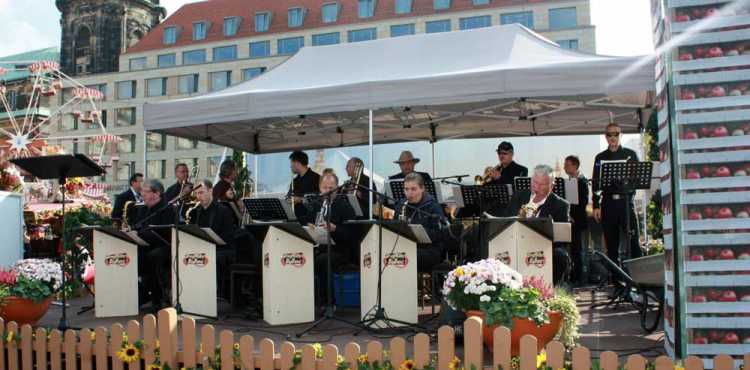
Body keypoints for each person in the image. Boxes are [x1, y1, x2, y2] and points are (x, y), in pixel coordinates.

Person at [504, 165, 571, 285]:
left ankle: (549, 290)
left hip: (543, 246)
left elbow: (562, 240)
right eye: (534, 182)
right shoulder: (518, 196)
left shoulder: (561, 205)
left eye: (542, 184)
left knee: (560, 255)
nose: (536, 187)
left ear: (551, 186)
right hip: (515, 241)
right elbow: (506, 220)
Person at [592, 123, 642, 266]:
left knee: (634, 243)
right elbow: (596, 182)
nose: (613, 137)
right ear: (605, 137)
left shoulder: (630, 155)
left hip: (626, 203)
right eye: (609, 134)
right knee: (611, 246)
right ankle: (617, 283)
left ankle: (638, 281)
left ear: (621, 135)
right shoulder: (600, 157)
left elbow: (637, 181)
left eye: (616, 134)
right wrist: (596, 205)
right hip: (608, 204)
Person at [309, 173, 361, 304]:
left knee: (322, 261)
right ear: (319, 188)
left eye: (331, 188)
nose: (327, 191)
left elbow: (352, 236)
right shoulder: (315, 205)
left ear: (337, 188)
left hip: (340, 250)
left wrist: (335, 229)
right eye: (324, 187)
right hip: (319, 247)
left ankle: (328, 303)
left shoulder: (345, 207)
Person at [127, 179, 176, 311]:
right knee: (128, 256)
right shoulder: (142, 210)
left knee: (153, 256)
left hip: (164, 247)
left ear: (157, 193)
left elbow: (166, 234)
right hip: (145, 245)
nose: (142, 194)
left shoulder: (168, 209)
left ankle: (157, 298)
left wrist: (141, 234)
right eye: (142, 191)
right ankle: (140, 294)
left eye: (145, 191)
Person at [187, 179, 239, 297]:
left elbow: (228, 236)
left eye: (201, 192)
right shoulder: (195, 211)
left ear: (210, 191)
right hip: (205, 248)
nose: (198, 196)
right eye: (197, 193)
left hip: (222, 249)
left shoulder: (223, 210)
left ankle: (214, 294)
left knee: (213, 258)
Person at [393, 173, 447, 272]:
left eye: (413, 189)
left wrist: (419, 232)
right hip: (408, 247)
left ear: (422, 189)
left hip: (430, 250)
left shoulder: (433, 206)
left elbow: (440, 233)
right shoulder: (401, 205)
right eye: (406, 189)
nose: (409, 193)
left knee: (407, 256)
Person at [564, 155, 590, 286]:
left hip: (578, 220)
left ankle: (580, 277)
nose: (564, 167)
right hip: (571, 219)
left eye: (567, 165)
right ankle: (573, 275)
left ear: (575, 166)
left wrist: (572, 214)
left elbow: (583, 201)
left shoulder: (582, 181)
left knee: (578, 249)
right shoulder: (569, 181)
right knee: (573, 249)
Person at [288, 150, 321, 223]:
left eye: (291, 163)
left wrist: (300, 199)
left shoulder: (317, 178)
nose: (290, 166)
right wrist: (289, 200)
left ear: (297, 164)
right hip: (296, 220)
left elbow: (320, 198)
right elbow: (288, 197)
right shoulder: (294, 181)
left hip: (311, 221)